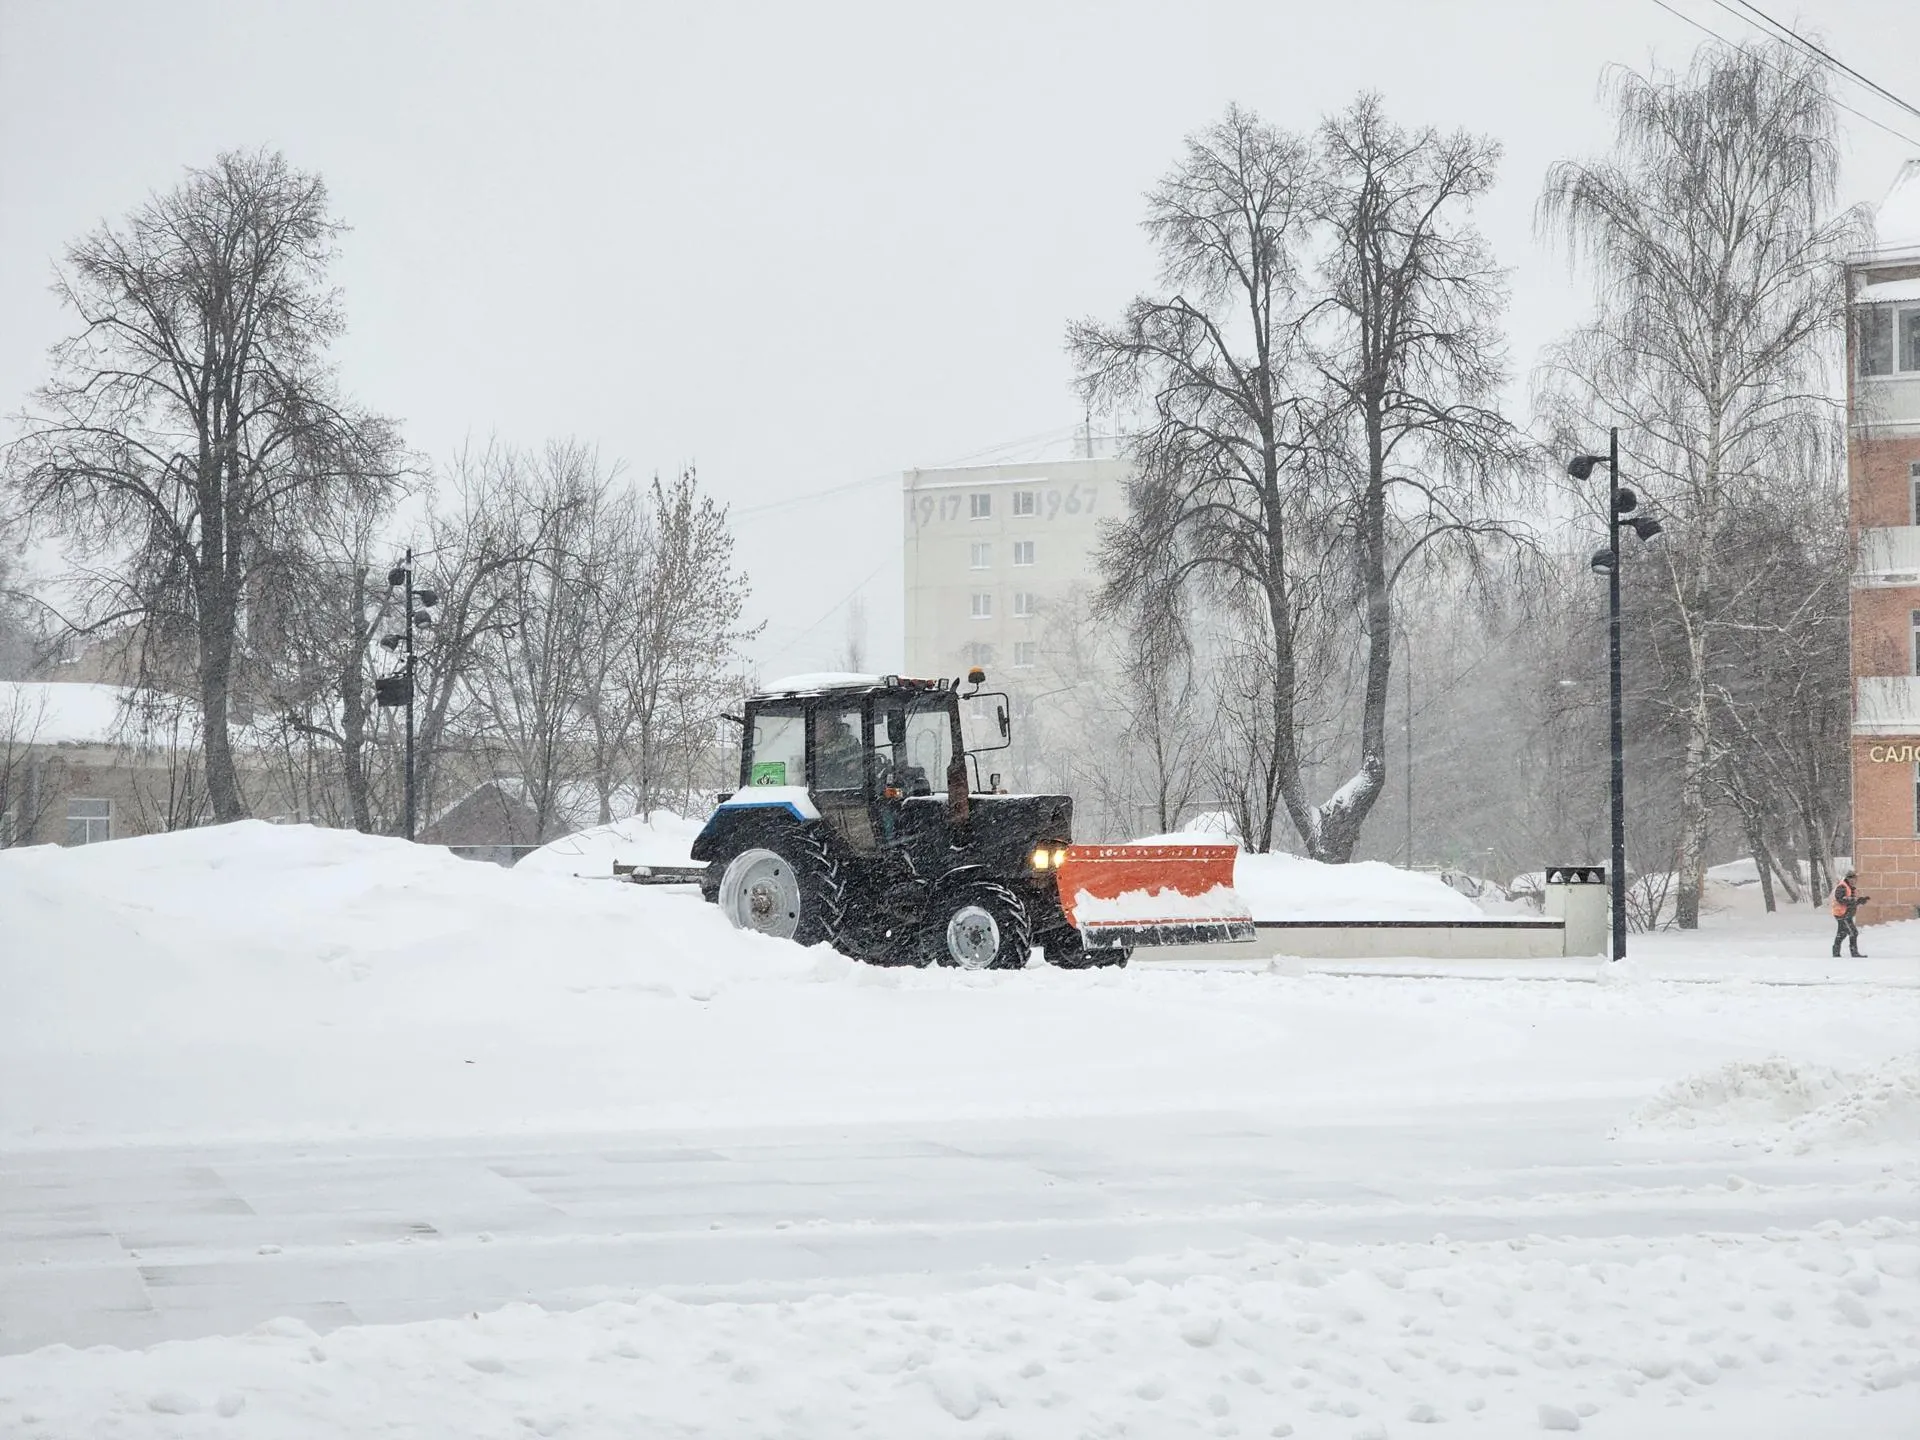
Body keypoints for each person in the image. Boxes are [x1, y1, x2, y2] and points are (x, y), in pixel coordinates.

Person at [1831, 870, 1869, 959]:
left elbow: (1850, 900)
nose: (1855, 881)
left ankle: (1835, 953)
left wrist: (1861, 900)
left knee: (1842, 933)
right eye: (1854, 878)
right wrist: (1855, 900)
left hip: (1846, 914)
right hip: (1842, 914)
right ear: (1849, 878)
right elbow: (1841, 899)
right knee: (1853, 932)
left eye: (1856, 879)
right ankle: (1854, 953)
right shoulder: (1842, 887)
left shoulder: (1850, 887)